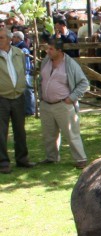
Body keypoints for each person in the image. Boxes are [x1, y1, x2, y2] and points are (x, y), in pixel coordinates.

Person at [38, 38, 89, 169]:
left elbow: (84, 83)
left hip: (63, 104)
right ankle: (51, 157)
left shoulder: (70, 64)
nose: (48, 51)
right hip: (46, 104)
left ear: (59, 51)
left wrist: (71, 98)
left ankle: (81, 159)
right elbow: (41, 80)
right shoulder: (45, 61)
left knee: (71, 133)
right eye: (47, 48)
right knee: (49, 134)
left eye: (51, 49)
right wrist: (41, 98)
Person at [0, 28, 34, 174]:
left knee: (20, 130)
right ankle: (3, 162)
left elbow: (24, 72)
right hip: (2, 97)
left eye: (1, 37)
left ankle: (22, 159)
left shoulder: (19, 53)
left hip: (18, 96)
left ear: (9, 39)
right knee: (1, 132)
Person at [11, 30, 34, 116]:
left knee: (28, 91)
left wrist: (25, 72)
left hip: (25, 73)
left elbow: (26, 61)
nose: (12, 38)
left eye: (14, 37)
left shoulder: (23, 47)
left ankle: (30, 110)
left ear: (18, 38)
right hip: (21, 72)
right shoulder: (15, 46)